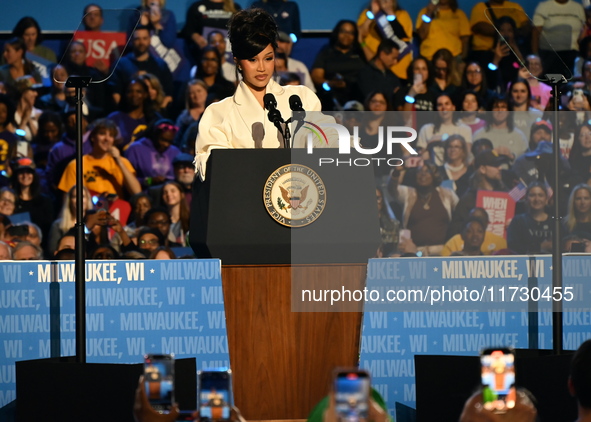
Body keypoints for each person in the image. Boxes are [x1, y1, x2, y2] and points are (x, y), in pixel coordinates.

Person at [195, 8, 323, 179]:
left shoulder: (301, 99)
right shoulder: (218, 113)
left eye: (268, 58)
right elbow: (216, 174)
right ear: (238, 62)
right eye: (252, 60)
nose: (261, 68)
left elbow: (323, 150)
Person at [58, 118, 142, 198]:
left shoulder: (123, 162)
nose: (107, 139)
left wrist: (119, 161)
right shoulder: (76, 165)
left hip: (116, 210)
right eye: (102, 133)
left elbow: (137, 192)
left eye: (111, 135)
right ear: (92, 137)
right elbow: (67, 198)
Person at [390, 162, 459, 256]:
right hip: (415, 253)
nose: (423, 174)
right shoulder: (409, 193)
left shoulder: (447, 194)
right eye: (419, 171)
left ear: (434, 175)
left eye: (428, 171)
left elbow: (460, 213)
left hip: (442, 252)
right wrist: (396, 172)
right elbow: (392, 190)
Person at [108, 26, 173, 107]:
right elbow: (115, 93)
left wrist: (157, 112)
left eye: (145, 38)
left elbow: (169, 95)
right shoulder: (120, 65)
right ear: (131, 40)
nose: (141, 42)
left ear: (150, 40)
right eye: (137, 39)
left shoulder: (161, 65)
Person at [448, 150, 507, 237]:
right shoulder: (469, 199)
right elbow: (454, 229)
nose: (500, 168)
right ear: (482, 169)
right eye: (495, 165)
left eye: (500, 165)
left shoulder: (505, 193)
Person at [311, 20, 366, 108]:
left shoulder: (361, 53)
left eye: (351, 33)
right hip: (332, 96)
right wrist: (329, 83)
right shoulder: (326, 52)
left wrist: (361, 41)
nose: (346, 35)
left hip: (358, 96)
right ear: (337, 33)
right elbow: (316, 75)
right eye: (343, 31)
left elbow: (374, 63)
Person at [357, 0, 413, 82]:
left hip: (398, 71)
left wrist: (390, 13)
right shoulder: (367, 14)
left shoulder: (402, 14)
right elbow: (360, 34)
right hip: (374, 67)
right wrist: (373, 14)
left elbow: (403, 38)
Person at [124, 118, 182, 188]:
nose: (166, 144)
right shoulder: (136, 149)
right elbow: (127, 180)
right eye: (162, 140)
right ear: (154, 135)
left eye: (170, 141)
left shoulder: (175, 152)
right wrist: (150, 180)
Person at [532, 0, 585, 76]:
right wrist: (535, 55)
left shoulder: (578, 7)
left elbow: (583, 29)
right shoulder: (543, 6)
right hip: (548, 54)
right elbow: (535, 33)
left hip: (572, 54)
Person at [474, 96, 527, 162]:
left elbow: (525, 161)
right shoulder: (479, 134)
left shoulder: (519, 135)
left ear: (509, 111)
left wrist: (512, 156)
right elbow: (472, 160)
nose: (500, 110)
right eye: (496, 107)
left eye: (503, 107)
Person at [507, 181, 552, 254]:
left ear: (546, 199)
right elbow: (513, 247)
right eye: (532, 195)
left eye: (540, 195)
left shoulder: (555, 222)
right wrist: (540, 247)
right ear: (526, 199)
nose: (537, 199)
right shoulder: (518, 221)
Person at [442, 206, 506, 255]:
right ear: (462, 235)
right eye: (470, 231)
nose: (475, 235)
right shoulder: (453, 256)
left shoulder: (488, 261)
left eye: (479, 231)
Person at [357, 39, 400, 104]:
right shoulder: (365, 73)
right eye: (393, 58)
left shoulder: (393, 77)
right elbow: (370, 96)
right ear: (382, 54)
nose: (395, 62)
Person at [174, 79, 208, 149]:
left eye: (199, 91)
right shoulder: (183, 117)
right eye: (192, 93)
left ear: (206, 92)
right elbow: (176, 139)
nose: (196, 95)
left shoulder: (213, 113)